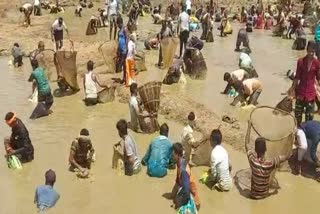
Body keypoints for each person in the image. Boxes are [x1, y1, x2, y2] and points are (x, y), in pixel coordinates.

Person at [245, 123, 289, 199]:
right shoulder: (270, 164)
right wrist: (291, 136)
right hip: (264, 196)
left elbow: (246, 144)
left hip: (252, 195)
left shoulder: (252, 161)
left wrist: (249, 126)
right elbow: (287, 156)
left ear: (255, 150)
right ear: (266, 149)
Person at [290, 41, 320, 125]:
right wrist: (292, 89)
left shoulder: (317, 63)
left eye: (313, 52)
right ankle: (297, 135)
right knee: (297, 118)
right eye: (310, 51)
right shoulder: (300, 61)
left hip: (311, 95)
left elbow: (318, 78)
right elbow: (297, 77)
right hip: (300, 93)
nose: (311, 53)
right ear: (306, 50)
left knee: (309, 121)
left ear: (315, 52)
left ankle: (306, 136)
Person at [170, 143, 200, 211]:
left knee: (176, 206)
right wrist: (172, 195)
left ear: (177, 154)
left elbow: (186, 191)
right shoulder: (180, 162)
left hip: (193, 200)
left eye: (173, 154)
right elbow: (178, 181)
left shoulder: (183, 170)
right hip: (186, 189)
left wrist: (177, 204)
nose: (171, 156)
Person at [116, 17, 128, 82]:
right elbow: (118, 40)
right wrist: (118, 49)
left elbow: (127, 38)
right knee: (122, 63)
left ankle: (125, 78)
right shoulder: (119, 31)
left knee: (123, 63)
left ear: (120, 23)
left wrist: (126, 47)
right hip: (120, 48)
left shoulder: (124, 29)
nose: (118, 26)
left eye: (118, 24)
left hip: (124, 49)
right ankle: (124, 77)